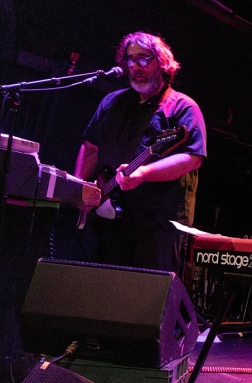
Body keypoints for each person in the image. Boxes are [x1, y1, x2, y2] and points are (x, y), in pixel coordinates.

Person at [74, 31, 206, 274]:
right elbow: (91, 147)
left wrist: (144, 173)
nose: (136, 66)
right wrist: (80, 190)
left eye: (144, 58)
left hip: (158, 224)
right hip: (108, 219)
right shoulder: (111, 102)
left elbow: (192, 158)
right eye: (130, 60)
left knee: (145, 297)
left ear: (163, 62)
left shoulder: (183, 107)